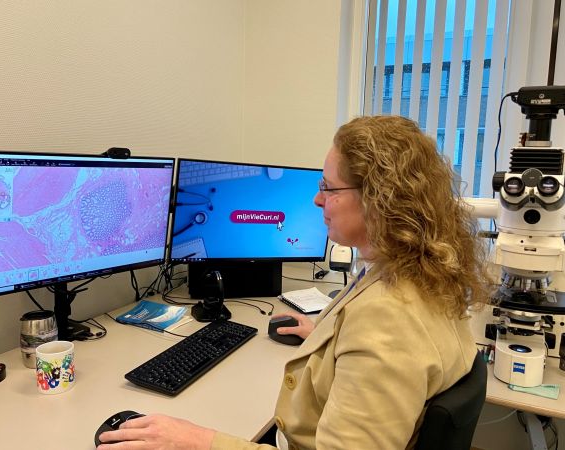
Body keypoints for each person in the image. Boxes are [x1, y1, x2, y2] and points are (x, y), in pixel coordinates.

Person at [97, 115, 491, 450]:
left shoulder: (387, 320)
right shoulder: (421, 274)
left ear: (377, 198)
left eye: (328, 188)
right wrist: (327, 338)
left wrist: (199, 441)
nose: (318, 200)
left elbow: (386, 339)